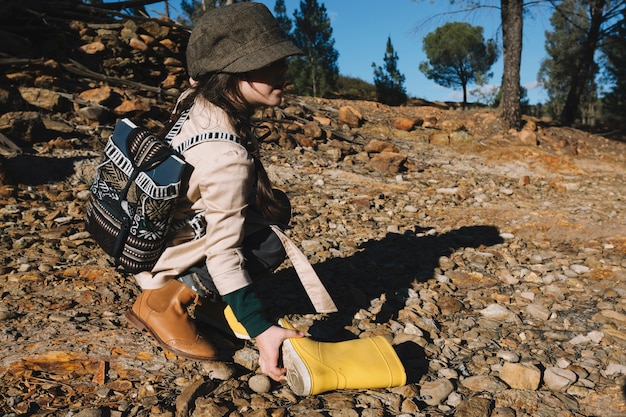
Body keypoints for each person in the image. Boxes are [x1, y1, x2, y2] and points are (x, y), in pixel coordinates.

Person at [125, 2, 337, 383]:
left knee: (273, 209)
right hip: (163, 258)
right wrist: (262, 329)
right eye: (270, 63)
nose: (284, 71)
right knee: (269, 243)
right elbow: (224, 252)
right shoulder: (226, 157)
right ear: (231, 73)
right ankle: (165, 302)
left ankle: (204, 298)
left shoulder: (195, 100)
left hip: (141, 235)